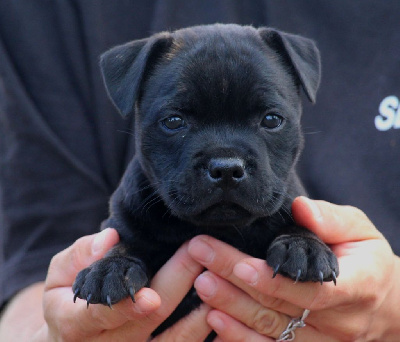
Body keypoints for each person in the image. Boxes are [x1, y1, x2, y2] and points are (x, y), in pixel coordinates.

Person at [0, 1, 399, 341]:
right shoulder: (45, 16)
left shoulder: (294, 217)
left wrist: (388, 310)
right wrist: (70, 317)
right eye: (175, 122)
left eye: (270, 120)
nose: (228, 164)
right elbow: (31, 277)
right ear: (135, 107)